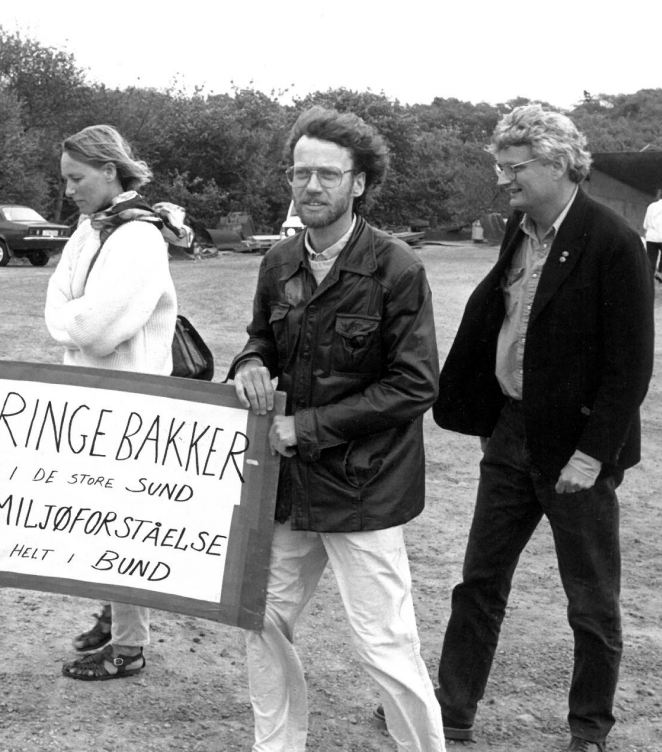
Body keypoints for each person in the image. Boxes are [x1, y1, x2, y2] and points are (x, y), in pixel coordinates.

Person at [430, 105, 654, 752]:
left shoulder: (615, 243)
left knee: (590, 602)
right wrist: (488, 415)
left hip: (576, 454)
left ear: (557, 163)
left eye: (515, 167)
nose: (504, 180)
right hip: (509, 434)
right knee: (479, 583)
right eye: (501, 167)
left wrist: (590, 456)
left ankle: (589, 731)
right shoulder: (519, 230)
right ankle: (451, 715)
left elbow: (629, 368)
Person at [231, 105, 446, 752]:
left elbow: (414, 385)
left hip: (365, 489)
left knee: (386, 645)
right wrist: (248, 366)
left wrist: (308, 427)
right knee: (260, 617)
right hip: (290, 487)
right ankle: (277, 746)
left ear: (359, 182)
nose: (311, 187)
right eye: (301, 173)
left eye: (328, 174)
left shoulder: (396, 269)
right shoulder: (279, 262)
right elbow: (261, 340)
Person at [45, 124, 178, 681]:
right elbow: (56, 301)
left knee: (124, 524)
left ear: (108, 170)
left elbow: (94, 329)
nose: (69, 189)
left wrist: (67, 319)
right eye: (65, 179)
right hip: (96, 400)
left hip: (132, 402)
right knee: (99, 518)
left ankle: (129, 646)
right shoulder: (90, 229)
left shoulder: (139, 236)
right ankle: (112, 612)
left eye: (77, 178)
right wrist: (69, 317)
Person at [643, 187, 662, 281]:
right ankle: (660, 272)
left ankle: (648, 278)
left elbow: (645, 224)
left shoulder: (651, 206)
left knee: (651, 258)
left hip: (651, 237)